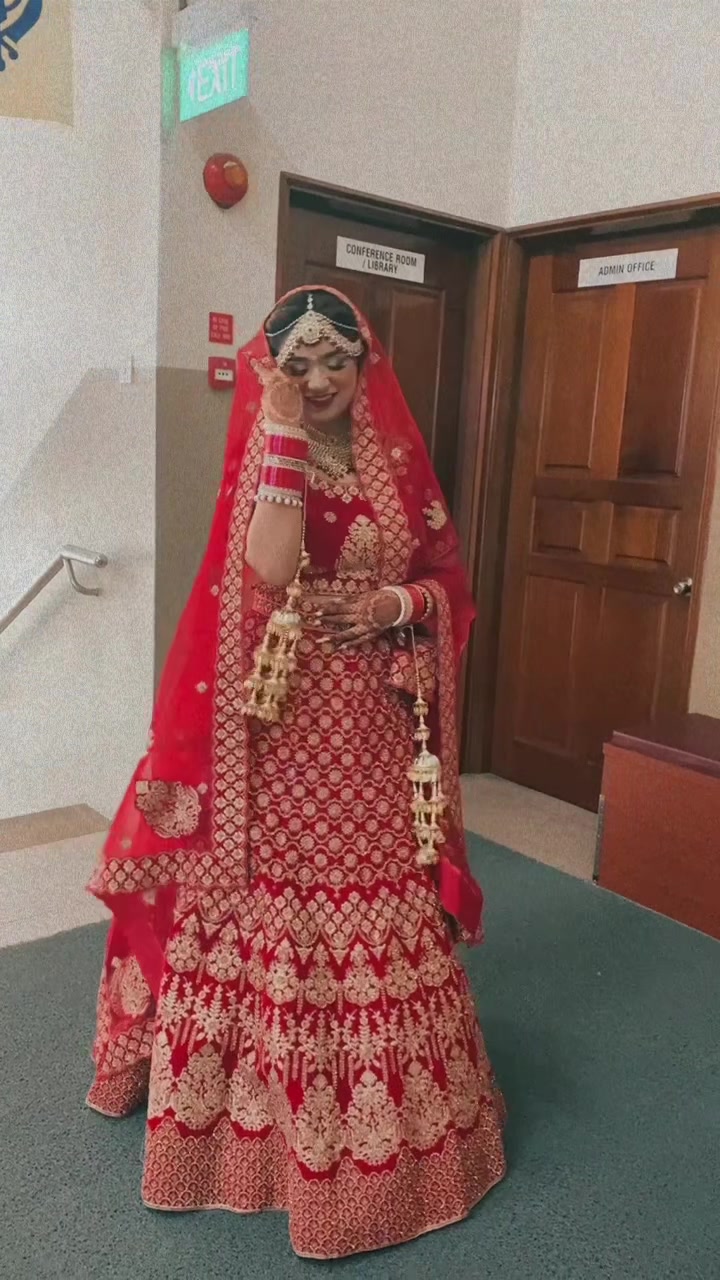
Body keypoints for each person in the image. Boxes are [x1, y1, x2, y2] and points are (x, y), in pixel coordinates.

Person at [86, 287, 506, 1259]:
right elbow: (271, 568)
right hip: (278, 728)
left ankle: (396, 1140)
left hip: (374, 725)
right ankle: (255, 1134)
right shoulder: (271, 450)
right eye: (299, 363)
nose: (320, 379)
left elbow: (447, 578)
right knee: (276, 903)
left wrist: (396, 606)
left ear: (364, 364)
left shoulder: (391, 460)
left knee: (377, 894)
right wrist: (279, 432)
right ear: (275, 370)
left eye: (335, 361)